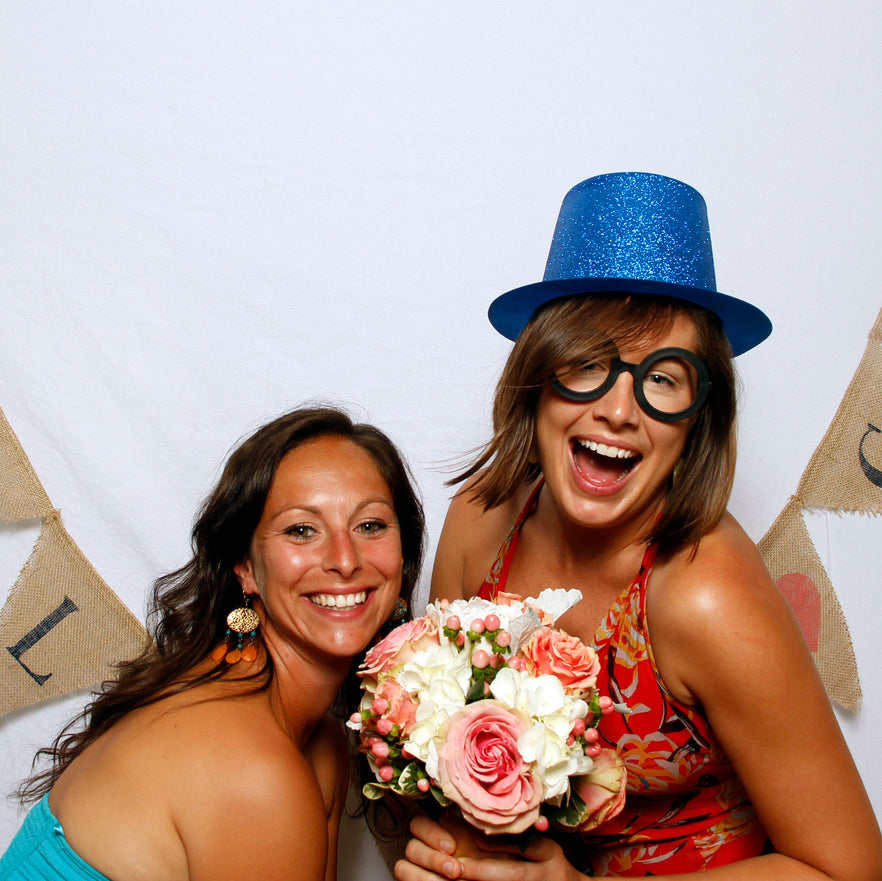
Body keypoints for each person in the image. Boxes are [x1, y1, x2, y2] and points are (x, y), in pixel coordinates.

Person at [397, 173, 882, 879]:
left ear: (695, 422)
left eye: (662, 378)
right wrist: (453, 853)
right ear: (536, 380)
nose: (619, 411)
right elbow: (449, 756)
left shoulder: (707, 596)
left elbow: (848, 868)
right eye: (587, 364)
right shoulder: (480, 521)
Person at [1, 406, 425, 881]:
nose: (345, 560)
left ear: (402, 554)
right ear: (245, 567)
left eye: (370, 525)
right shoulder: (252, 769)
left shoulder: (321, 745)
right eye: (301, 530)